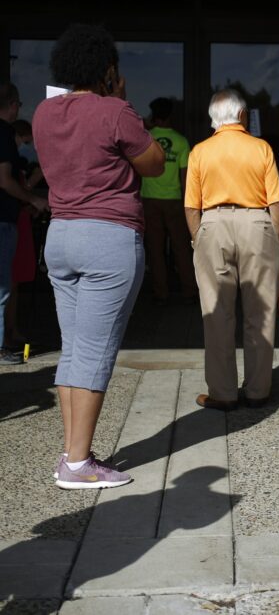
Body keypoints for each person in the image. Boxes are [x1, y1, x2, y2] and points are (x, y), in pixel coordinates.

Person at [33, 24, 165, 489]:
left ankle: (71, 451)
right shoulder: (114, 111)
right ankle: (77, 463)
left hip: (61, 234)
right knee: (94, 352)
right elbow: (154, 163)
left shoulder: (45, 113)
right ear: (108, 69)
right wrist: (121, 100)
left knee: (74, 349)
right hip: (107, 236)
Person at [184, 88, 279, 411]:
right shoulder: (261, 148)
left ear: (214, 118)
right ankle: (258, 390)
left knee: (216, 314)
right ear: (242, 115)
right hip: (257, 224)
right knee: (261, 313)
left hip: (213, 224)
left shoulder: (200, 151)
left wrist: (198, 238)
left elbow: (191, 207)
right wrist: (276, 241)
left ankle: (224, 392)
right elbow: (276, 201)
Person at [0, 83, 48, 365]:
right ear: (13, 105)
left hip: (9, 218)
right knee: (4, 287)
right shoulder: (4, 133)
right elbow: (5, 180)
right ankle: (2, 345)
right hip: (5, 218)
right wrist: (35, 199)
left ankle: (9, 336)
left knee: (9, 284)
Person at [141, 97, 197, 305]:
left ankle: (160, 292)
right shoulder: (181, 141)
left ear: (154, 115)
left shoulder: (146, 139)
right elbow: (185, 177)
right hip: (174, 200)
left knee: (155, 248)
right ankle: (189, 290)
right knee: (181, 247)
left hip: (149, 199)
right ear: (171, 115)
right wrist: (187, 203)